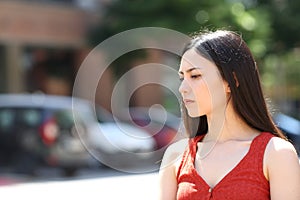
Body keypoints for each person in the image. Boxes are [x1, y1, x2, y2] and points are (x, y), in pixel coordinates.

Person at [158, 30, 300, 200]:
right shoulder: (176, 156)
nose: (183, 88)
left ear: (232, 81)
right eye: (182, 78)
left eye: (195, 76)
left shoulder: (276, 153)